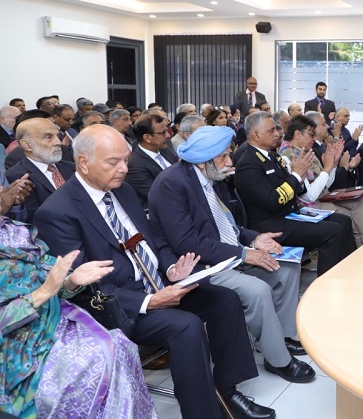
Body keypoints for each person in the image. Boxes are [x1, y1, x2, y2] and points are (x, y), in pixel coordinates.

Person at [33, 125, 274, 419]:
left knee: (225, 301)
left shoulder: (123, 191)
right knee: (186, 326)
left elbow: (153, 240)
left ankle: (228, 389)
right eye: (113, 162)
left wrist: (171, 268)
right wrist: (149, 302)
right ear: (83, 162)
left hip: (157, 285)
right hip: (120, 306)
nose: (124, 169)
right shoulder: (58, 212)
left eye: (126, 159)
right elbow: (85, 288)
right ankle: (203, 413)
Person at [148, 125, 315, 384]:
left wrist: (254, 238)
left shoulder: (212, 177)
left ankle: (279, 339)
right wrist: (243, 254)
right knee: (257, 291)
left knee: (288, 268)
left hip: (227, 253)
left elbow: (225, 224)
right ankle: (279, 361)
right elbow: (186, 242)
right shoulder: (172, 183)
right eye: (224, 156)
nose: (230, 161)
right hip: (201, 265)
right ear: (204, 162)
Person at [0, 215, 156, 418]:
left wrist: (71, 281)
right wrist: (42, 293)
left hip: (56, 323)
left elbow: (52, 281)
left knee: (117, 346)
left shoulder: (15, 229)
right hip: (17, 350)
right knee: (93, 365)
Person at [234, 112, 355, 276]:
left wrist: (303, 177)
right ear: (256, 134)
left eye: (277, 129)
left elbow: (302, 193)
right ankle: (326, 285)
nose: (278, 134)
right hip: (272, 224)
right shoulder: (248, 163)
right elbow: (272, 201)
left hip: (289, 214)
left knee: (344, 220)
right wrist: (297, 176)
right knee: (333, 232)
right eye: (271, 131)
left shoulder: (273, 156)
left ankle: (347, 273)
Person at [284, 114, 363, 247]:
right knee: (350, 219)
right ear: (297, 134)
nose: (314, 137)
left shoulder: (305, 151)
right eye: (311, 134)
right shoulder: (288, 156)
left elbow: (326, 184)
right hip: (310, 205)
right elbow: (309, 196)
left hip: (323, 195)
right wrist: (327, 168)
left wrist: (333, 165)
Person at [6, 118, 75, 221]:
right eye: (48, 137)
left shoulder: (72, 168)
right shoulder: (17, 176)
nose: (58, 142)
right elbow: (35, 220)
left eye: (57, 135)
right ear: (27, 145)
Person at [124, 113, 179, 208]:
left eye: (166, 131)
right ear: (147, 138)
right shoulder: (135, 165)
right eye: (162, 133)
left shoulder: (165, 149)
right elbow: (159, 197)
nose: (168, 135)